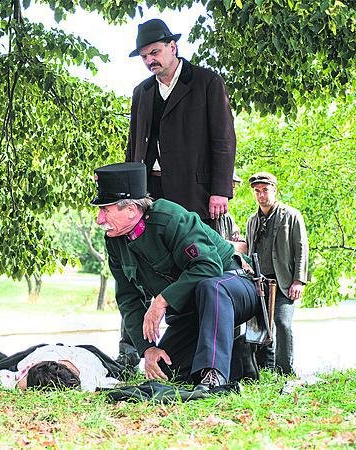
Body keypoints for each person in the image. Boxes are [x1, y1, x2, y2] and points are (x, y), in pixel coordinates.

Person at [118, 18, 237, 367]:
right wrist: (126, 192)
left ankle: (211, 357)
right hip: (149, 195)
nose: (150, 60)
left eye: (155, 52)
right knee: (136, 268)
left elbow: (223, 140)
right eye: (144, 56)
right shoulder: (142, 92)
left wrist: (220, 190)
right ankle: (137, 351)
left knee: (205, 270)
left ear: (173, 47)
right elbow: (133, 148)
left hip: (196, 193)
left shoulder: (205, 82)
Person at [92, 162, 259, 391]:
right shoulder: (114, 241)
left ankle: (214, 374)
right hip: (192, 309)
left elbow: (208, 265)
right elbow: (128, 298)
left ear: (131, 209)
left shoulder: (169, 217)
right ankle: (238, 357)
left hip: (234, 286)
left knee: (211, 287)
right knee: (166, 371)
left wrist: (161, 301)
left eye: (105, 210)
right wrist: (147, 348)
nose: (100, 219)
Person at [246, 172, 308, 375]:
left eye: (265, 190)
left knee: (282, 324)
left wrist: (298, 280)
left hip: (283, 282)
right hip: (259, 284)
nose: (261, 195)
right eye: (257, 191)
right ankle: (263, 371)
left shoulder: (291, 215)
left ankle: (285, 372)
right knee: (259, 327)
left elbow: (301, 248)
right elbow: (249, 251)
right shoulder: (252, 221)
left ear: (274, 190)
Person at [0, 344, 125, 392]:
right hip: (45, 351)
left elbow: (116, 384)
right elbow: (3, 377)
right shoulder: (34, 364)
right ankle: (3, 361)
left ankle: (128, 361)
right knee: (12, 365)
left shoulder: (89, 381)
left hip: (86, 354)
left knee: (117, 370)